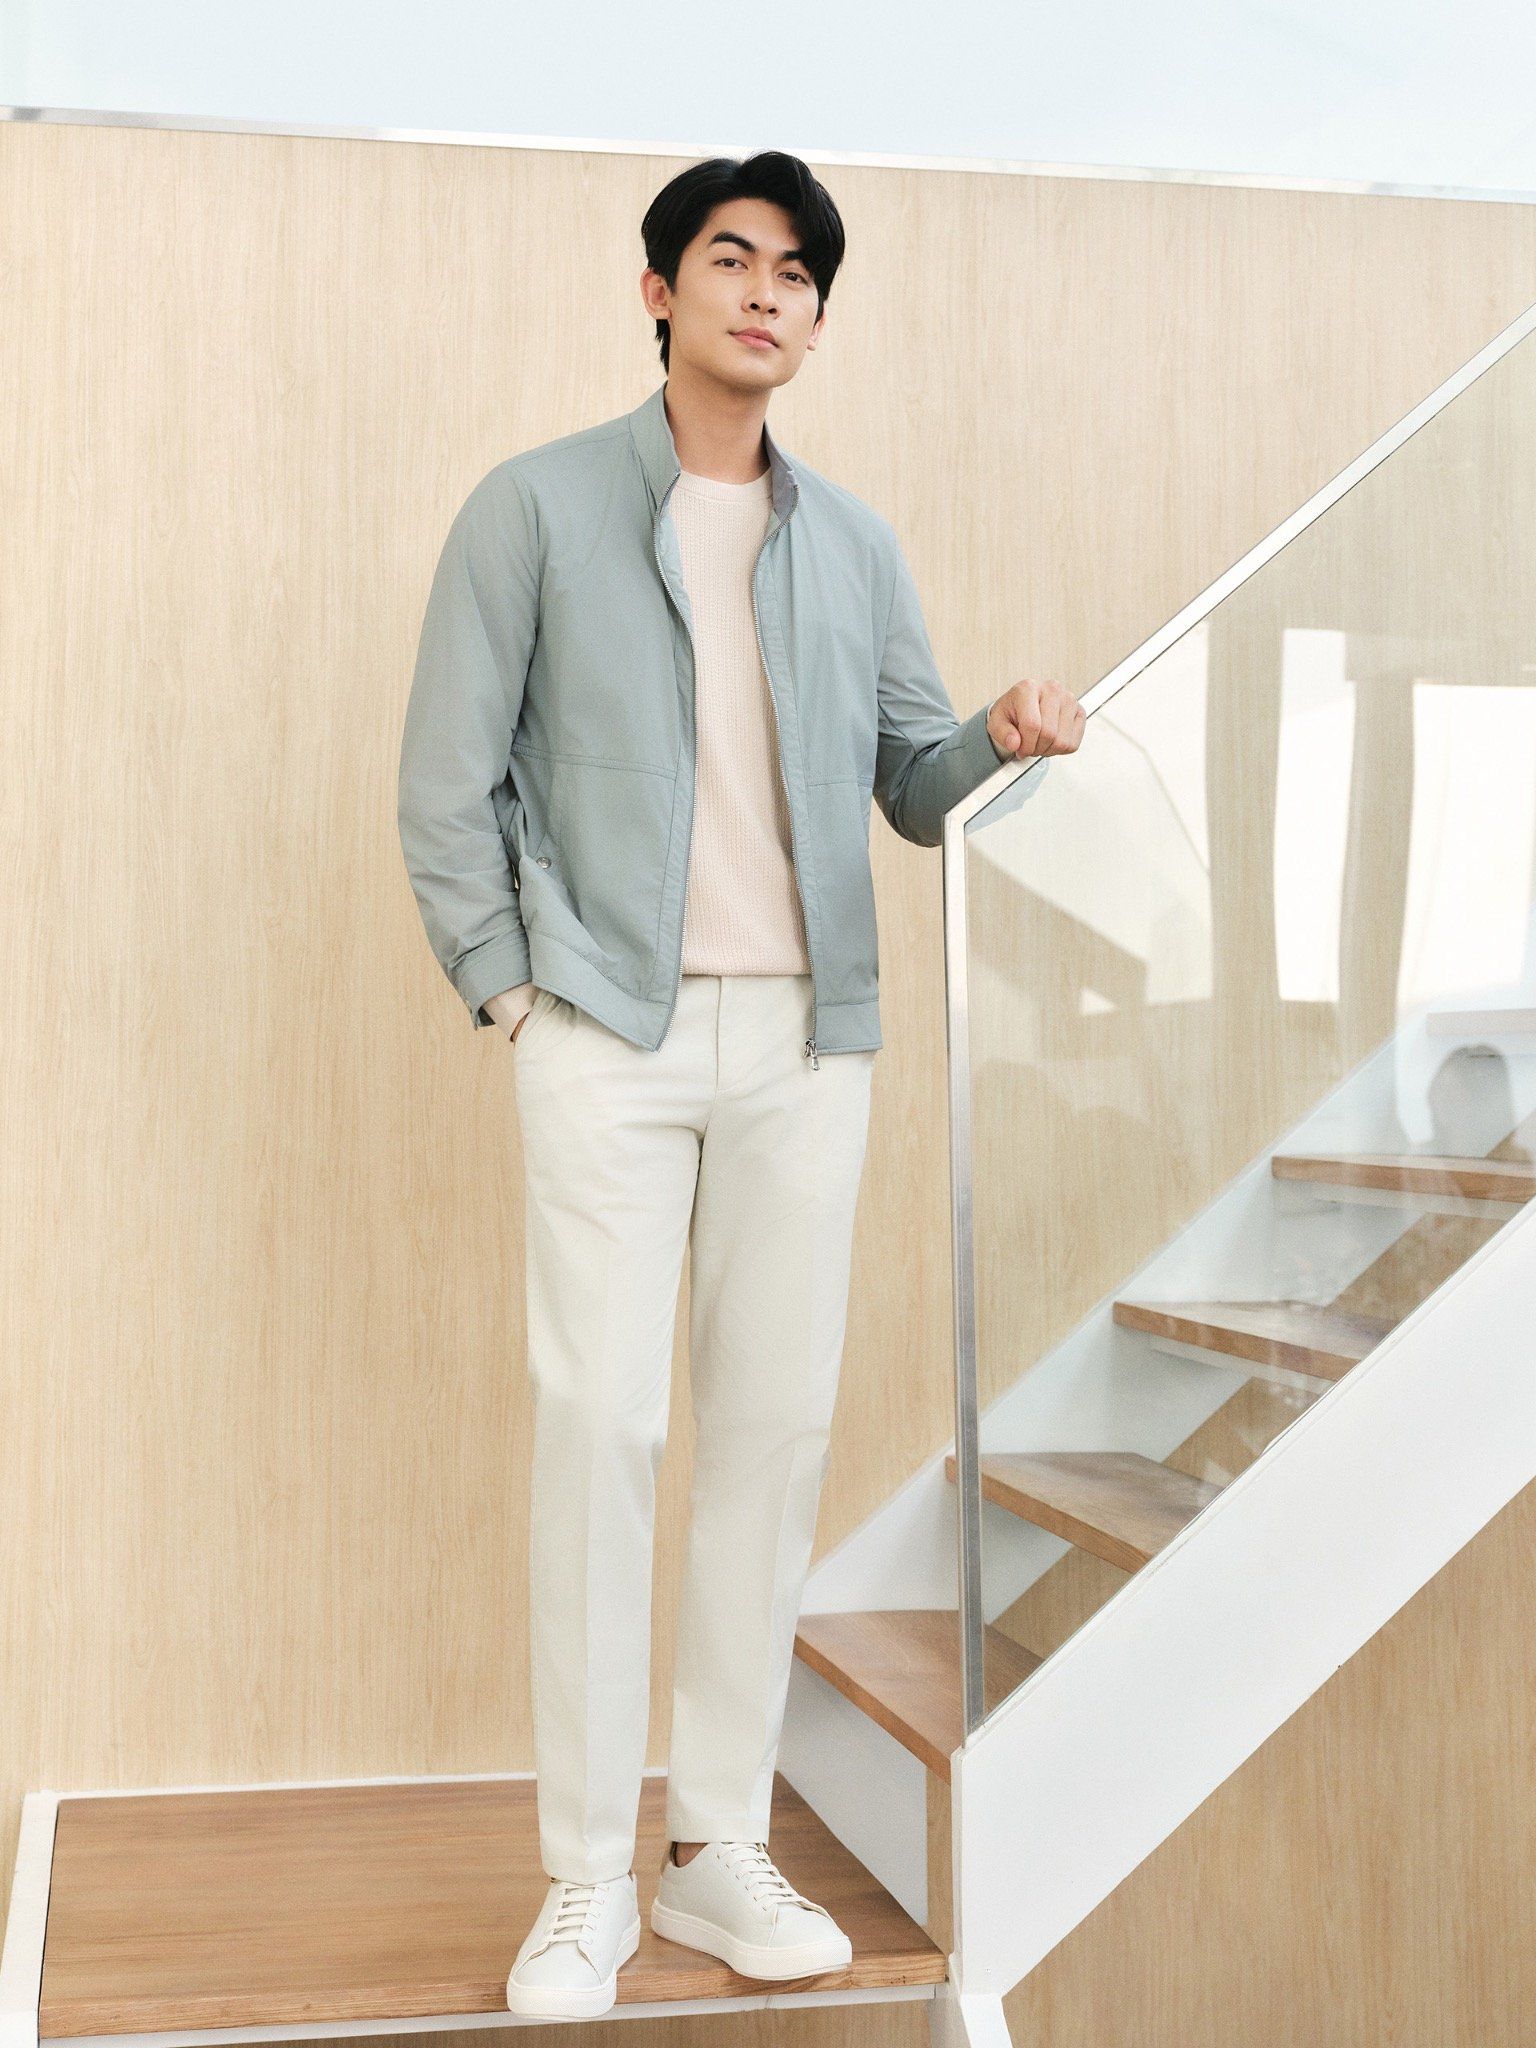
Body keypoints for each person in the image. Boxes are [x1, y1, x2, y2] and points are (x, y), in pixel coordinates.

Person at [397, 148, 1083, 2023]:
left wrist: (998, 737)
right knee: (601, 1432)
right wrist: (514, 996)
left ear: (816, 321)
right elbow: (448, 784)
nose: (767, 292)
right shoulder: (533, 508)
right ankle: (583, 1877)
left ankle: (711, 1849)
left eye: (797, 274)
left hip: (806, 1043)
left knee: (769, 1442)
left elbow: (910, 789)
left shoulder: (854, 544)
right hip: (603, 1032)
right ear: (659, 291)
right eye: (731, 258)